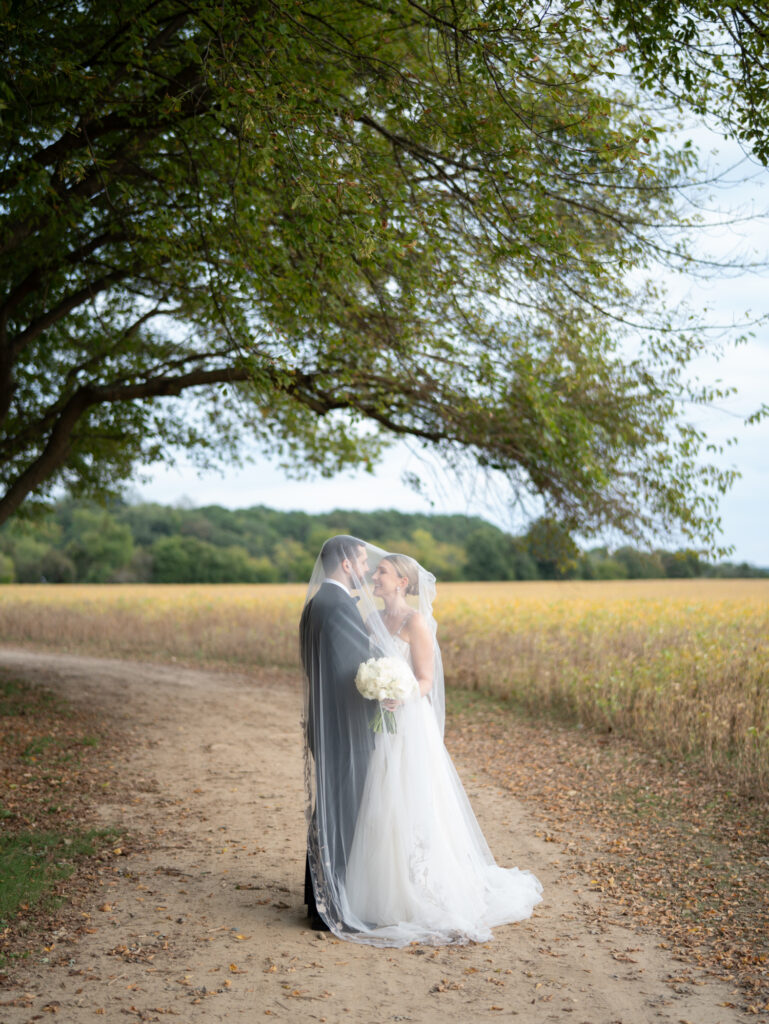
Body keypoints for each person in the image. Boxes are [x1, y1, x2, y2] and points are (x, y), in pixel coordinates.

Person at [300, 540, 543, 946]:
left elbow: (426, 679)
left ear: (402, 581)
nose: (373, 574)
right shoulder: (368, 617)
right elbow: (355, 665)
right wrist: (376, 688)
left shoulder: (417, 623)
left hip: (407, 720)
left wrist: (402, 691)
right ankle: (372, 887)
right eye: (370, 568)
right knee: (376, 802)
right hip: (378, 721)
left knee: (409, 800)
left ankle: (415, 889)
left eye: (381, 572)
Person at [299, 535, 373, 930]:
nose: (366, 570)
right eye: (362, 562)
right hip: (345, 725)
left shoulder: (315, 604)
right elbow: (355, 672)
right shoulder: (339, 605)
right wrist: (388, 684)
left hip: (325, 720)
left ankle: (320, 900)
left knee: (329, 808)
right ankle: (335, 909)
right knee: (344, 810)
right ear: (346, 564)